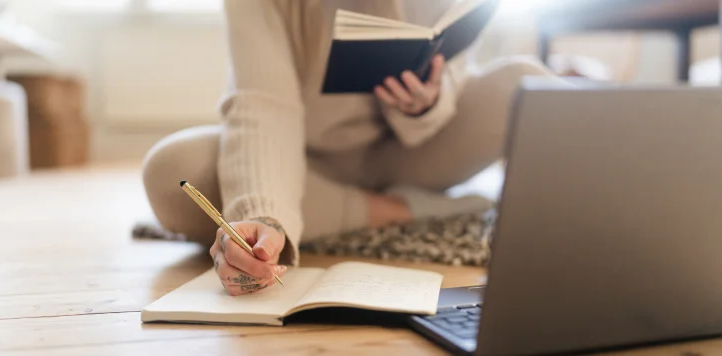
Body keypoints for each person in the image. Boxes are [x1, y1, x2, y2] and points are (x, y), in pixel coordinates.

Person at [142, 0, 552, 296]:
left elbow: (458, 71)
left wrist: (428, 102)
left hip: (407, 153)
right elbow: (262, 105)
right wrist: (264, 217)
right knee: (172, 170)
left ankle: (364, 207)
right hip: (303, 170)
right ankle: (398, 210)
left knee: (528, 84)